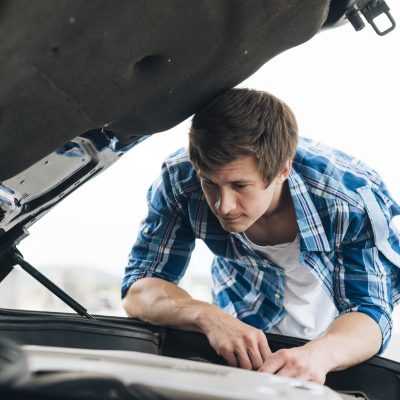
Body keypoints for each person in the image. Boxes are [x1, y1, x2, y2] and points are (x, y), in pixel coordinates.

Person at [121, 88, 400, 383]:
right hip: (238, 328)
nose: (222, 206)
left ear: (282, 170)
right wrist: (207, 316)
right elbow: (138, 288)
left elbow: (370, 311)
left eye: (240, 186)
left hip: (336, 346)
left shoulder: (350, 199)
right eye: (210, 183)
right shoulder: (181, 179)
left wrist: (317, 356)